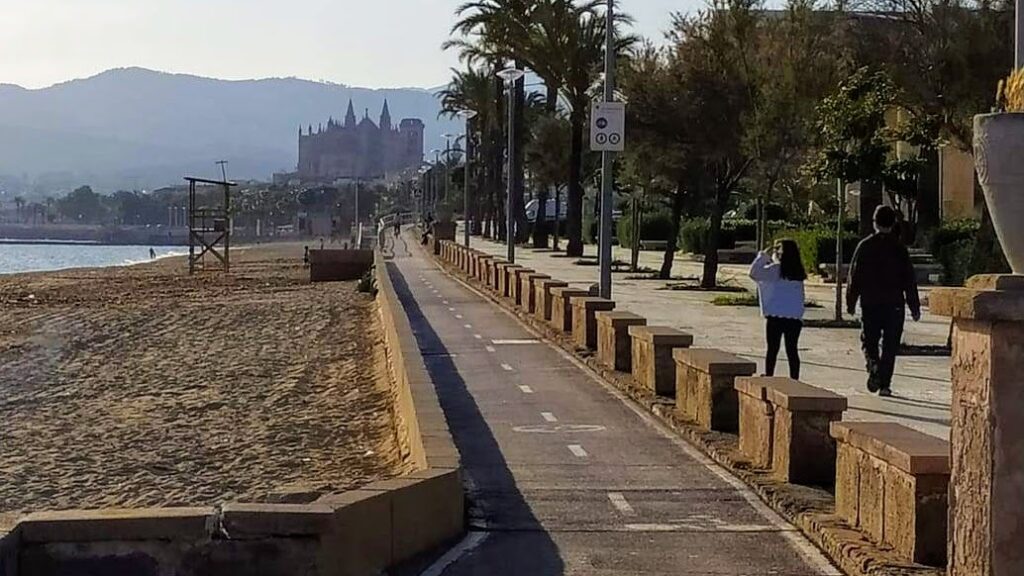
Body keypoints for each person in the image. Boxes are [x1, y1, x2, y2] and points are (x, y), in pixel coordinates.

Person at [846, 205, 921, 397]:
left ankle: (873, 367)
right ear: (893, 223)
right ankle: (885, 384)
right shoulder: (899, 249)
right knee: (890, 345)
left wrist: (850, 301)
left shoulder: (865, 246)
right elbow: (909, 279)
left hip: (870, 302)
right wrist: (914, 306)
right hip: (894, 304)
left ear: (874, 223)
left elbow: (855, 276)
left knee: (869, 340)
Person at [749, 239, 807, 380]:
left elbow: (754, 273)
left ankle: (769, 375)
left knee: (772, 349)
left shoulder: (775, 270)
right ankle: (795, 379)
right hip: (794, 317)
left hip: (775, 316)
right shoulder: (798, 272)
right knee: (792, 350)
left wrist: (763, 255)